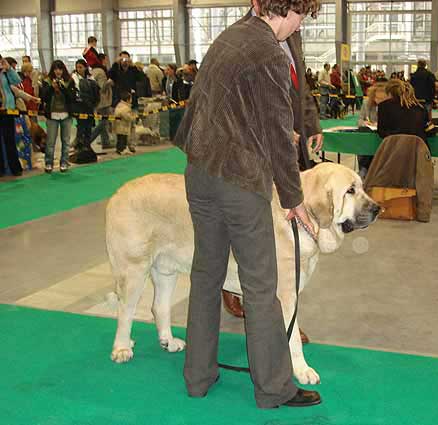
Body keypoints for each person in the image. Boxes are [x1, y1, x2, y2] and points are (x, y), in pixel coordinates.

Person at [174, 0, 322, 409]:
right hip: (239, 181)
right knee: (260, 286)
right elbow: (277, 134)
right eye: (301, 16)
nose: (299, 26)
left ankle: (197, 377)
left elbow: (223, 111)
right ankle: (274, 388)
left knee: (206, 278)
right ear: (291, 10)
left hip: (199, 172)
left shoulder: (229, 37)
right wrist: (293, 199)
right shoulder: (269, 52)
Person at [221, 0, 324, 340]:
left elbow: (300, 87)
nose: (299, 22)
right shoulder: (243, 37)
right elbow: (234, 106)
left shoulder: (290, 34)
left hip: (288, 143)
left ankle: (287, 314)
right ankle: (253, 303)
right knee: (261, 235)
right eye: (298, 14)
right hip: (255, 157)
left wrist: (310, 124)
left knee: (289, 239)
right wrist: (275, 132)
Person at [39, 60, 77, 173]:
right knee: (50, 141)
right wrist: (52, 88)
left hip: (66, 115)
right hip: (52, 115)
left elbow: (72, 98)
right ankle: (48, 163)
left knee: (66, 141)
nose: (58, 71)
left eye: (60, 69)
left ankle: (64, 162)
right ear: (53, 70)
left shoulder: (69, 81)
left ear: (63, 70)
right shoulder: (47, 81)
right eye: (55, 69)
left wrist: (62, 88)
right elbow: (44, 97)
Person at [378, 79, 430, 143]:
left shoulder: (384, 106)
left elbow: (381, 132)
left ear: (389, 93)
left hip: (394, 148)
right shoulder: (421, 107)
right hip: (418, 150)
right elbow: (429, 129)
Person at [357, 82, 388, 178]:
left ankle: (370, 170)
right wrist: (364, 123)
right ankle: (363, 169)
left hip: (383, 135)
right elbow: (359, 120)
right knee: (363, 144)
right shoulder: (366, 104)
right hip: (369, 133)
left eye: (382, 98)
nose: (379, 101)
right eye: (377, 98)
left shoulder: (389, 106)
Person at [71, 59, 100, 160]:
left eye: (81, 67)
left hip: (89, 106)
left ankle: (87, 146)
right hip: (80, 106)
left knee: (88, 128)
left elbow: (96, 91)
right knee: (81, 127)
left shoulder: (90, 77)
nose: (79, 69)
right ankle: (79, 147)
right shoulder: (74, 78)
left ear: (85, 67)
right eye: (77, 67)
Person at [90, 53, 113, 149]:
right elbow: (102, 87)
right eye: (105, 60)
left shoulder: (93, 71)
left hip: (96, 100)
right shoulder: (101, 72)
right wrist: (110, 82)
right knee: (104, 122)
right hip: (103, 101)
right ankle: (89, 139)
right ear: (102, 60)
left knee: (102, 120)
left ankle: (105, 142)